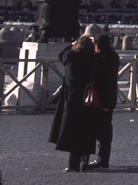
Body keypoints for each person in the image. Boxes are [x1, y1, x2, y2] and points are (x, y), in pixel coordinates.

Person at [49, 36, 97, 172]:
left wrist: (70, 44)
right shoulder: (92, 57)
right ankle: (85, 161)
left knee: (72, 131)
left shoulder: (70, 55)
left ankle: (73, 164)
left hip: (72, 97)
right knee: (85, 130)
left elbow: (61, 55)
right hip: (87, 97)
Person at [87, 34, 120, 170]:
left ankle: (90, 160)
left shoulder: (99, 59)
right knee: (106, 132)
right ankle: (103, 160)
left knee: (94, 131)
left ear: (98, 45)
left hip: (99, 100)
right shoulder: (114, 56)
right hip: (110, 99)